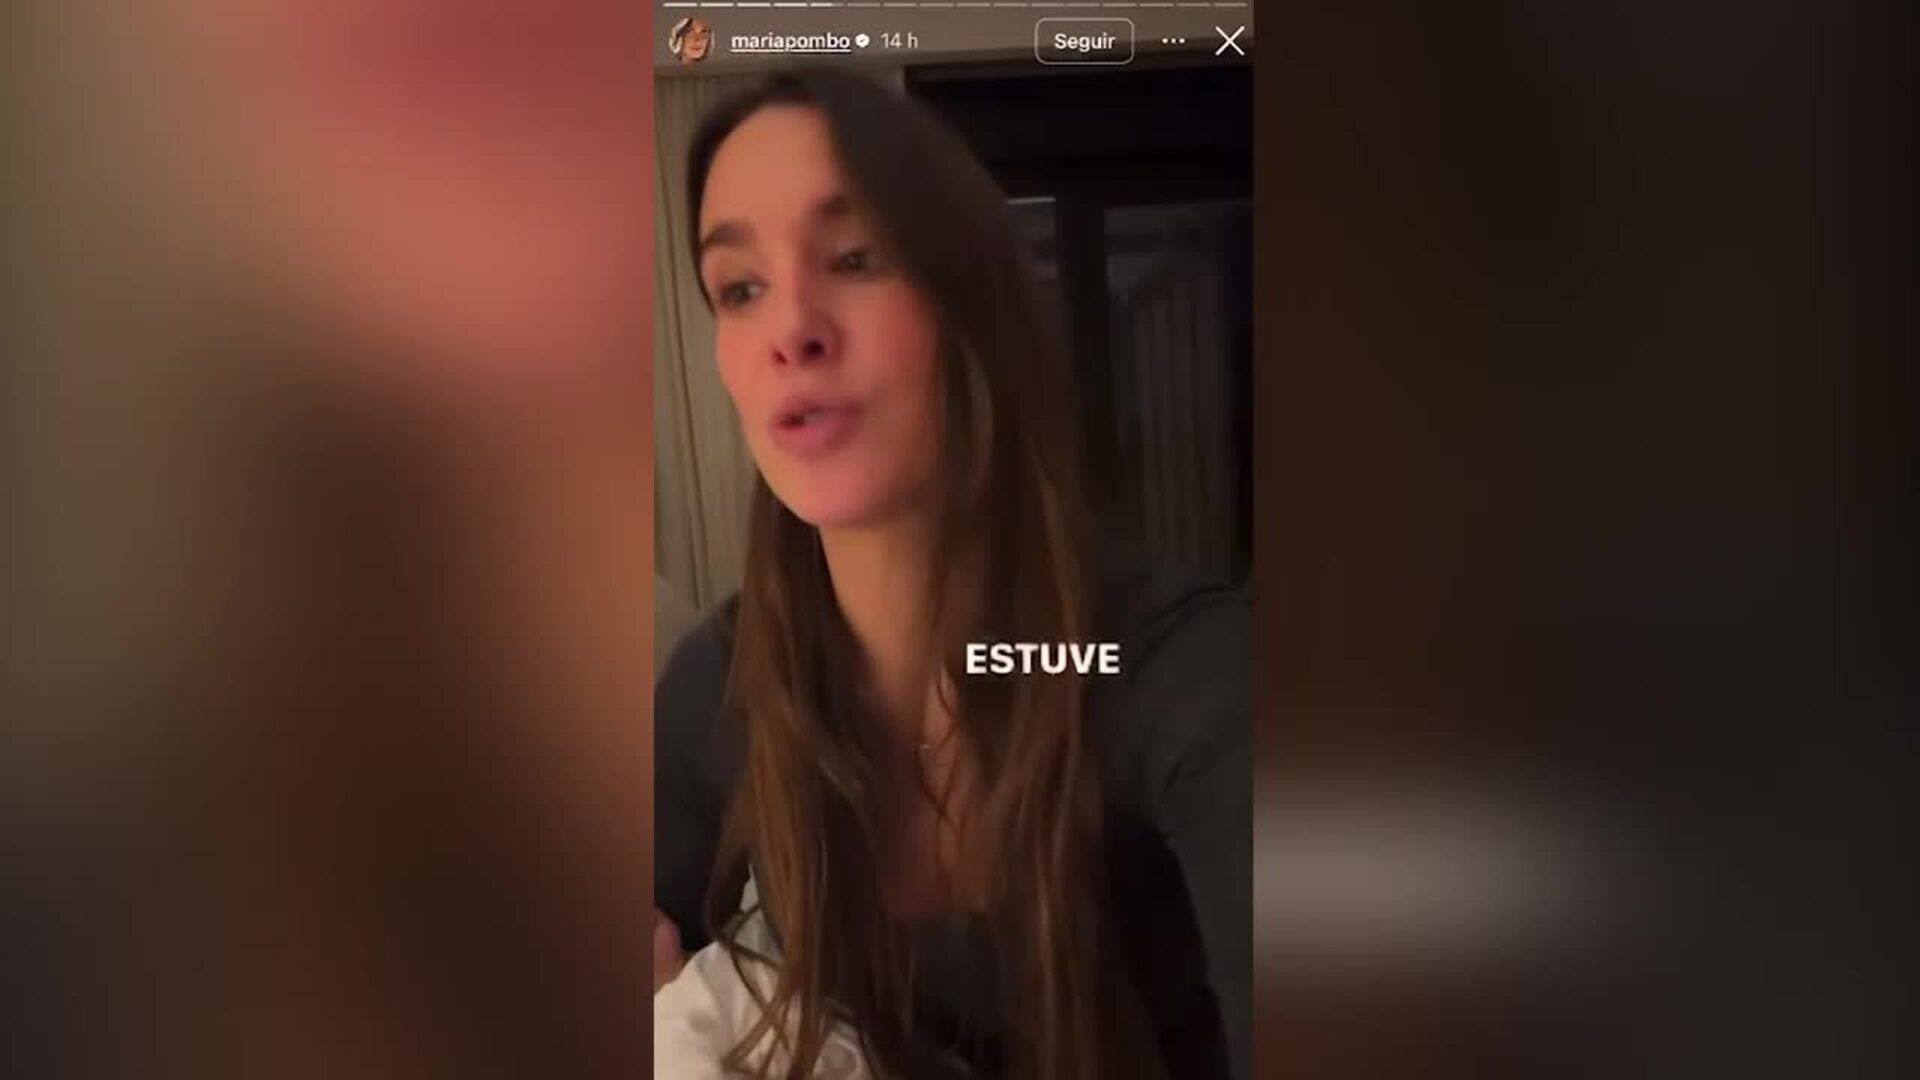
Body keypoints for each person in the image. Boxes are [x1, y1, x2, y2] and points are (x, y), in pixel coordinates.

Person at [654, 70, 1250, 1080]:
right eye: (740, 288)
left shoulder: (1178, 675)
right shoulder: (716, 688)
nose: (791, 330)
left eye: (855, 258)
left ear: (974, 308)